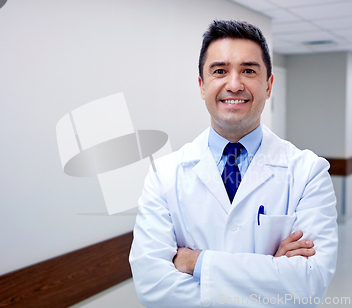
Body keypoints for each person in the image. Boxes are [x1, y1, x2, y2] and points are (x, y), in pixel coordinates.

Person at [129, 20, 338, 308]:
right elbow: (153, 288)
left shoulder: (308, 173)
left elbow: (309, 283)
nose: (235, 84)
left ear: (269, 85)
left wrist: (196, 262)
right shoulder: (164, 175)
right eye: (220, 71)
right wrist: (270, 272)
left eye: (249, 70)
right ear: (202, 86)